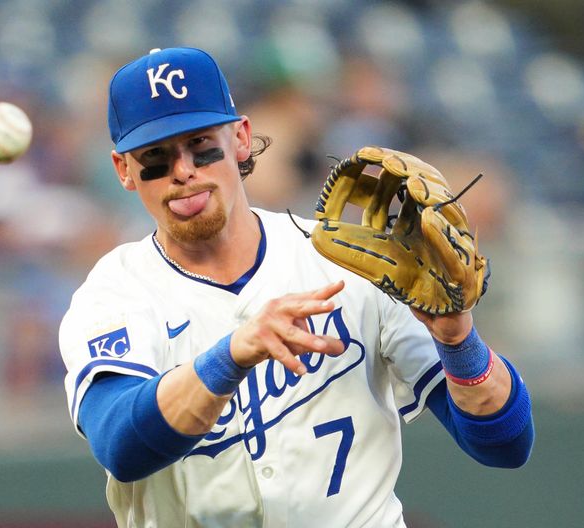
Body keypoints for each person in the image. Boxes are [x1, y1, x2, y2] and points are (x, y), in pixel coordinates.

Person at [59, 47, 534, 528]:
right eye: (155, 156)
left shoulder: (351, 262)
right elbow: (121, 443)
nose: (183, 170)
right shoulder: (115, 294)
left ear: (241, 138)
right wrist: (232, 356)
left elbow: (504, 444)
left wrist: (459, 342)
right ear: (123, 170)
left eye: (200, 144)